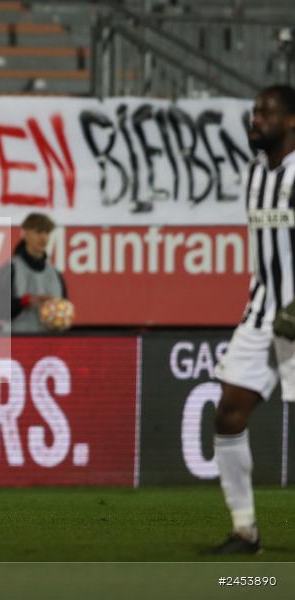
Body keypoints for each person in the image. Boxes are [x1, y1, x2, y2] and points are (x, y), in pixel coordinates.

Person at [209, 84, 295, 555]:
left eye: (266, 113)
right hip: (263, 314)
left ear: (292, 120)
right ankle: (245, 532)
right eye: (254, 112)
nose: (255, 119)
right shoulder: (255, 173)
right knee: (228, 413)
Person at [0, 212, 68, 333]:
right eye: (38, 232)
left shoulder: (56, 275)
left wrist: (59, 318)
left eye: (47, 233)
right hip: (18, 344)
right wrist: (25, 301)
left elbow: (65, 313)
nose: (44, 238)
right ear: (25, 234)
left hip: (49, 345)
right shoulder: (10, 270)